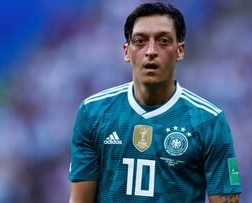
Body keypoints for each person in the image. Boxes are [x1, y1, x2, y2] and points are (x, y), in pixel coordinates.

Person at [69, 2, 241, 203]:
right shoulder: (93, 113)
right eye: (140, 41)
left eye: (163, 41)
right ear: (126, 51)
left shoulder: (209, 121)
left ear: (180, 50)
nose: (151, 51)